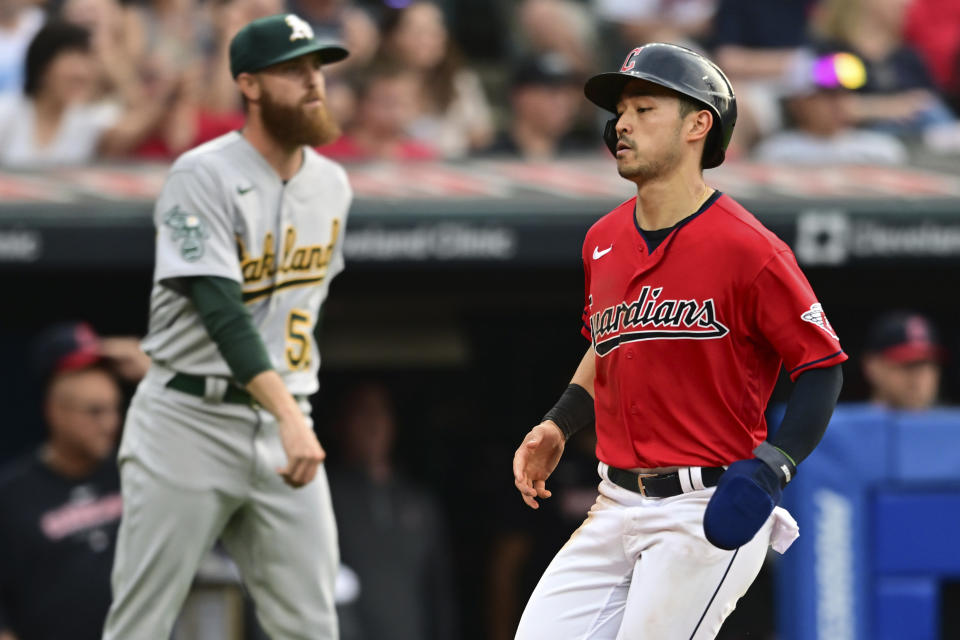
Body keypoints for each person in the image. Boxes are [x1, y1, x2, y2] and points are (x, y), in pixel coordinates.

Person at [511, 43, 846, 639]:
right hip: (613, 502)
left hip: (704, 508)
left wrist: (774, 466)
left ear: (698, 124)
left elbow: (822, 366)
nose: (622, 124)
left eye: (644, 108)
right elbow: (610, 341)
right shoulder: (602, 238)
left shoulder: (750, 248)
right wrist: (559, 422)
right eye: (621, 111)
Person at [101, 13, 352, 640]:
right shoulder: (201, 172)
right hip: (189, 418)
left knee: (313, 626)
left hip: (284, 419)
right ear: (250, 85)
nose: (314, 82)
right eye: (294, 71)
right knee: (142, 623)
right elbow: (221, 311)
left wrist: (291, 413)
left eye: (318, 68)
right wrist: (292, 419)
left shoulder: (333, 184)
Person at [0, 322, 134, 640]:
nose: (110, 424)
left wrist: (154, 367)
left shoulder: (136, 471)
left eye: (115, 409)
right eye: (95, 412)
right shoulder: (12, 493)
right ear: (56, 413)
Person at [327, 383, 457, 640]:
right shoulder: (325, 499)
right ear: (340, 424)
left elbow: (440, 592)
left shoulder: (419, 503)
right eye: (362, 412)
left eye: (380, 412)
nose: (373, 423)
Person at [0, 20, 172, 167]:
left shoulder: (88, 120)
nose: (82, 73)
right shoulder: (7, 113)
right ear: (43, 67)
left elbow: (133, 127)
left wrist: (165, 91)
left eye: (88, 64)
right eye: (71, 69)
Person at [753, 51, 908, 164]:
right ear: (799, 103)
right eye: (828, 96)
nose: (838, 103)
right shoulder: (776, 153)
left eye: (844, 93)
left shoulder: (882, 150)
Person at [482, 53, 593, 160]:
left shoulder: (583, 155)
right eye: (552, 92)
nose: (565, 102)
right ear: (520, 96)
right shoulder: (490, 158)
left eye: (570, 93)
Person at [862, 311, 943, 411]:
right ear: (872, 367)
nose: (917, 378)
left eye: (926, 365)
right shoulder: (843, 424)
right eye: (907, 365)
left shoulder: (952, 424)